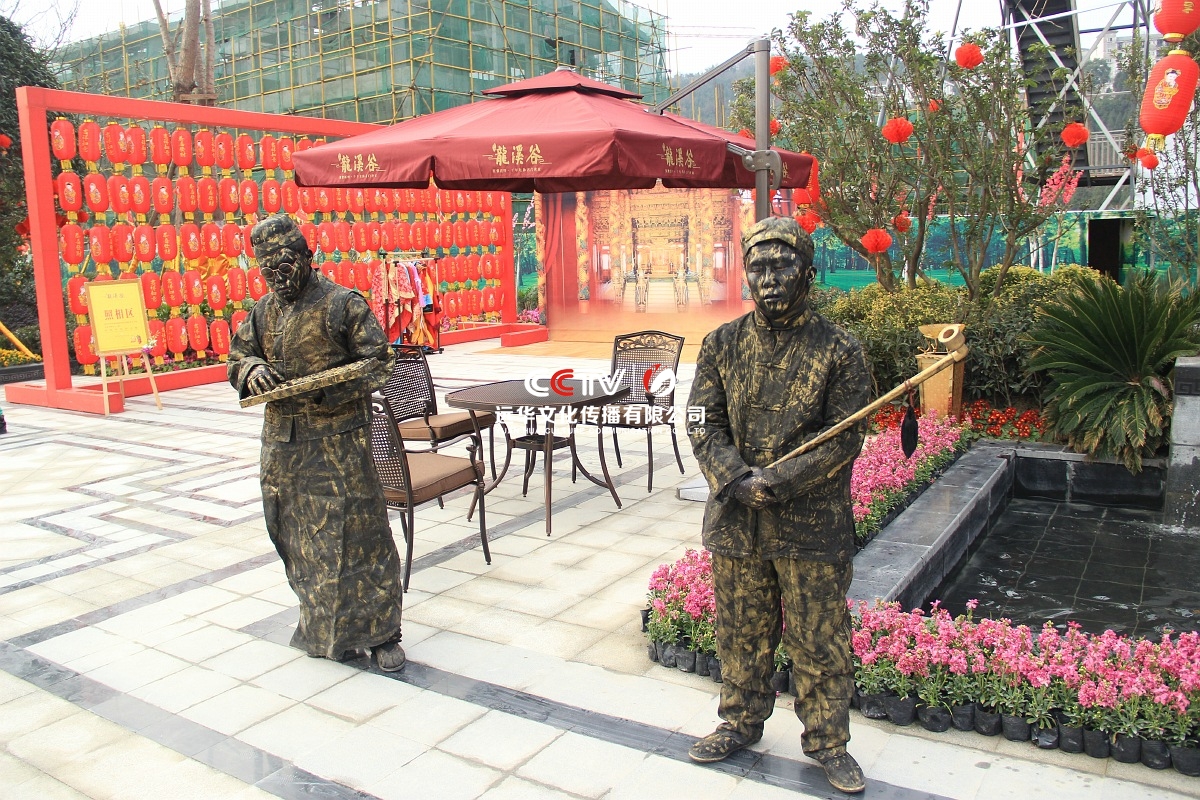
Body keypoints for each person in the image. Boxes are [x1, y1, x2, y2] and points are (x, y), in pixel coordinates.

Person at [685, 216, 871, 794]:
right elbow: (701, 420)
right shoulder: (722, 344)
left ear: (808, 273)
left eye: (782, 265)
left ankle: (829, 743)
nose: (768, 278)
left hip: (810, 526)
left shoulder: (840, 350)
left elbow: (844, 437)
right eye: (758, 267)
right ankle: (739, 722)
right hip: (737, 520)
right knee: (740, 630)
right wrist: (735, 478)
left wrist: (779, 483)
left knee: (819, 638)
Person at [228, 213, 407, 672]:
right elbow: (238, 355)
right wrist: (251, 370)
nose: (279, 277)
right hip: (285, 447)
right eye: (268, 270)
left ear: (307, 256)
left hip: (339, 446)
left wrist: (330, 389)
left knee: (360, 537)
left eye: (286, 265)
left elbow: (379, 360)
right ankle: (324, 628)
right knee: (297, 536)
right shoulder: (263, 311)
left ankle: (382, 633)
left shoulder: (342, 304)